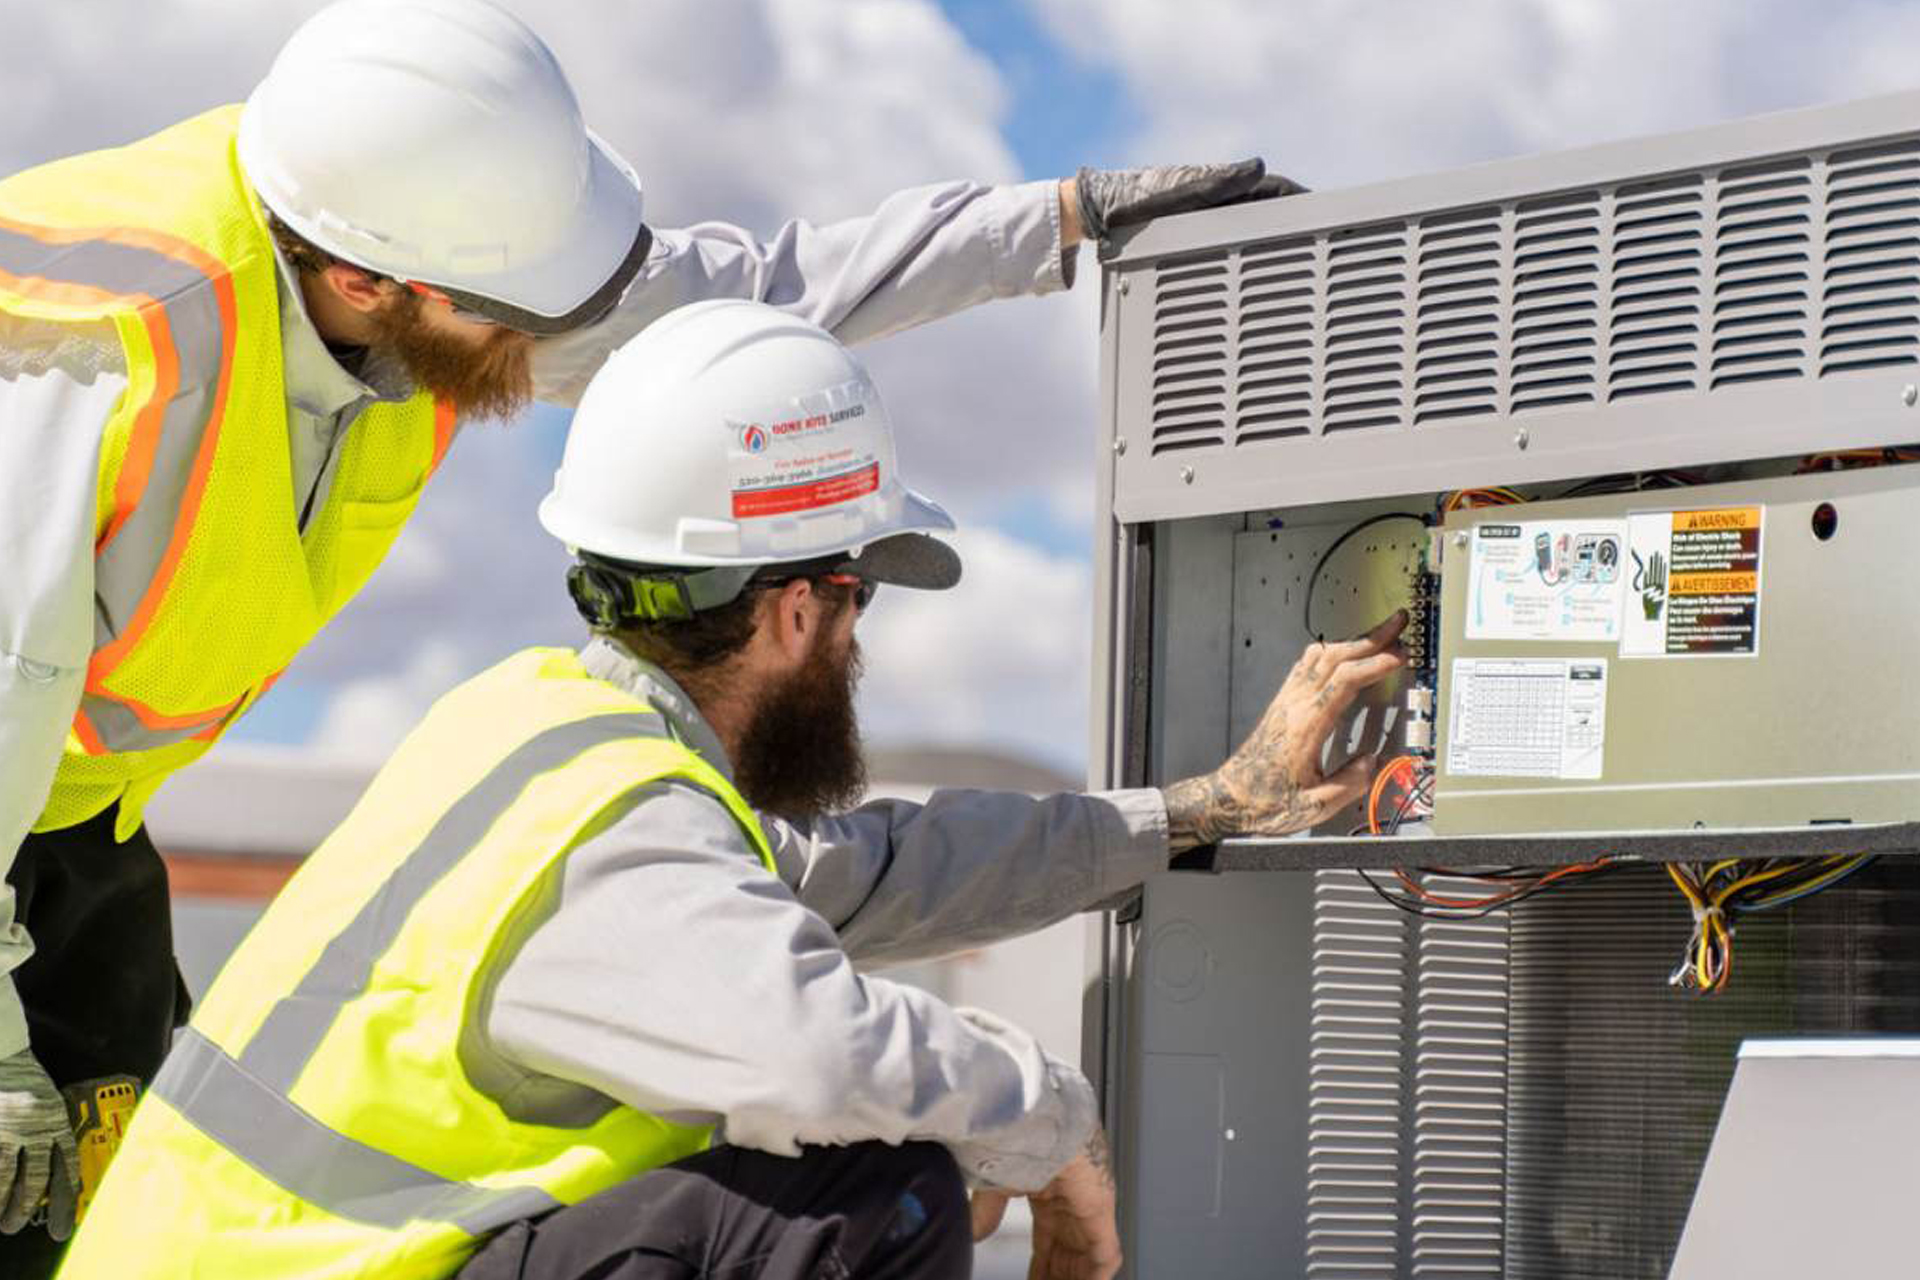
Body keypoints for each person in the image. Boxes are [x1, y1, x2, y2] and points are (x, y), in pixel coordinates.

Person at [0, 0, 1303, 1262]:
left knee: (80, 1191)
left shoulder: (442, 272)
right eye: (518, 315)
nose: (552, 345)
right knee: (869, 1191)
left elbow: (761, 291)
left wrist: (1062, 221)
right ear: (360, 282)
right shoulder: (94, 357)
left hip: (79, 825)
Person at [58, 299, 1405, 1280]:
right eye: (855, 597)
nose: (861, 634)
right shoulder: (630, 840)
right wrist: (1049, 1123)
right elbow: (824, 1053)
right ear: (791, 616)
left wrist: (1205, 807)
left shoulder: (538, 728)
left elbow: (884, 867)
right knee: (881, 1196)